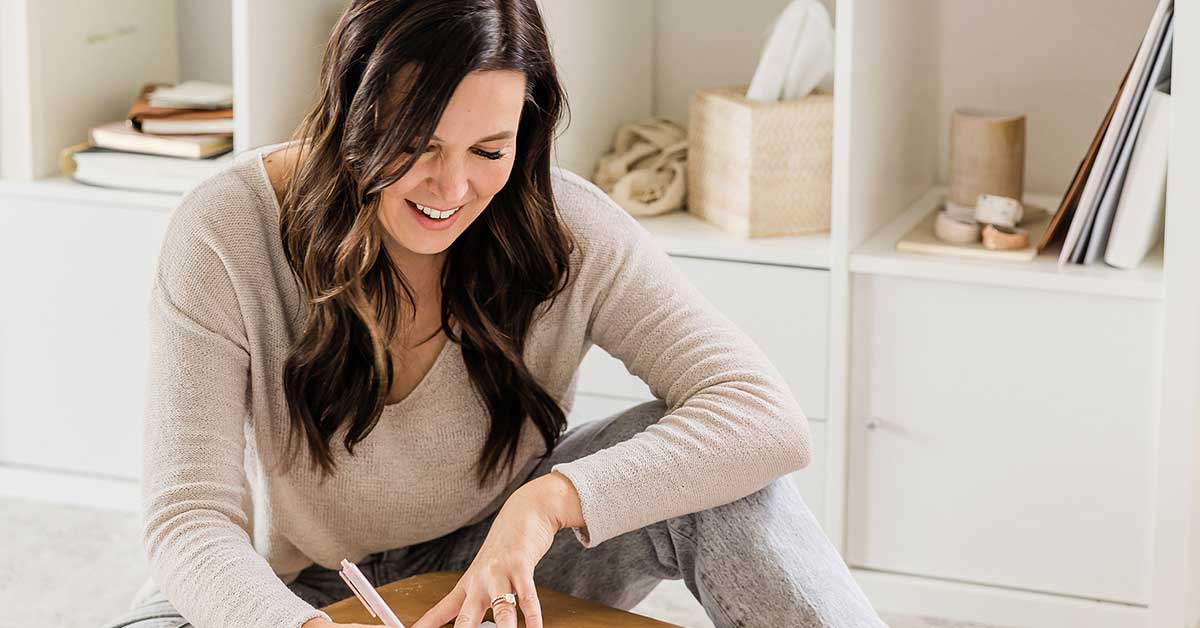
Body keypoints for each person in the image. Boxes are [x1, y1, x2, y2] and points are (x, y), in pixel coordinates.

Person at [100, 1, 886, 627]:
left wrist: (546, 503)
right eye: (416, 142)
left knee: (731, 478)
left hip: (504, 558)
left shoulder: (568, 226)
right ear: (351, 110)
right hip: (301, 583)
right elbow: (189, 517)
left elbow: (765, 417)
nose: (449, 188)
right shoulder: (225, 228)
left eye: (488, 150)